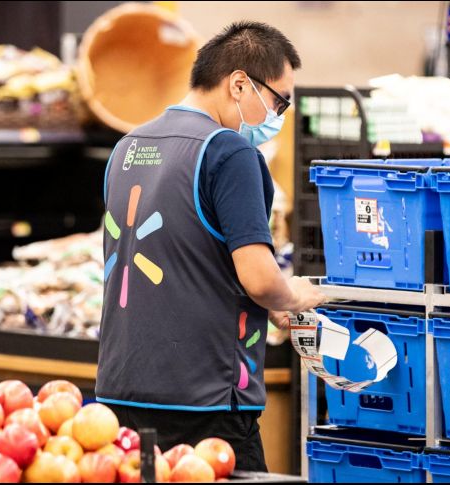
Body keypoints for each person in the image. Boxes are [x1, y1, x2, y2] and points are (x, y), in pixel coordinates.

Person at [96, 21, 326, 472]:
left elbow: (184, 252)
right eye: (278, 101)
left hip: (120, 393)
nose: (278, 116)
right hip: (207, 403)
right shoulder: (230, 153)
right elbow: (260, 278)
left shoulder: (127, 147)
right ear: (239, 84)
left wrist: (270, 302)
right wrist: (294, 295)